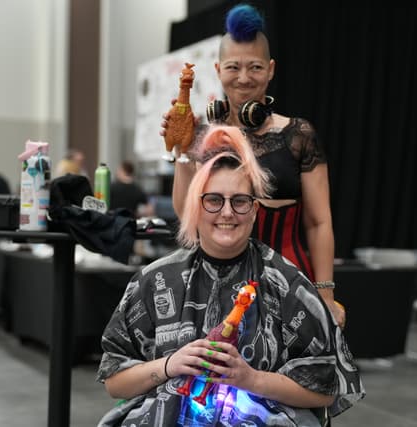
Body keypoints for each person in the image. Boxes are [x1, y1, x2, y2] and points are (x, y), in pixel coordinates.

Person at [97, 126, 363, 426]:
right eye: (214, 200)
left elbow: (325, 391)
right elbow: (114, 382)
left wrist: (251, 379)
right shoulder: (155, 280)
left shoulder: (286, 282)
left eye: (239, 201)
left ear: (254, 210)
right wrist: (170, 364)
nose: (227, 212)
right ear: (197, 206)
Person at [162, 4, 344, 328]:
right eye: (233, 67)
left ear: (271, 69)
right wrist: (183, 148)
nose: (244, 78)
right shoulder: (202, 135)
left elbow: (319, 223)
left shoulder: (298, 135)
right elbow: (184, 215)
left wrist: (325, 294)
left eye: (255, 67)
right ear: (218, 70)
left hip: (290, 286)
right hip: (215, 289)